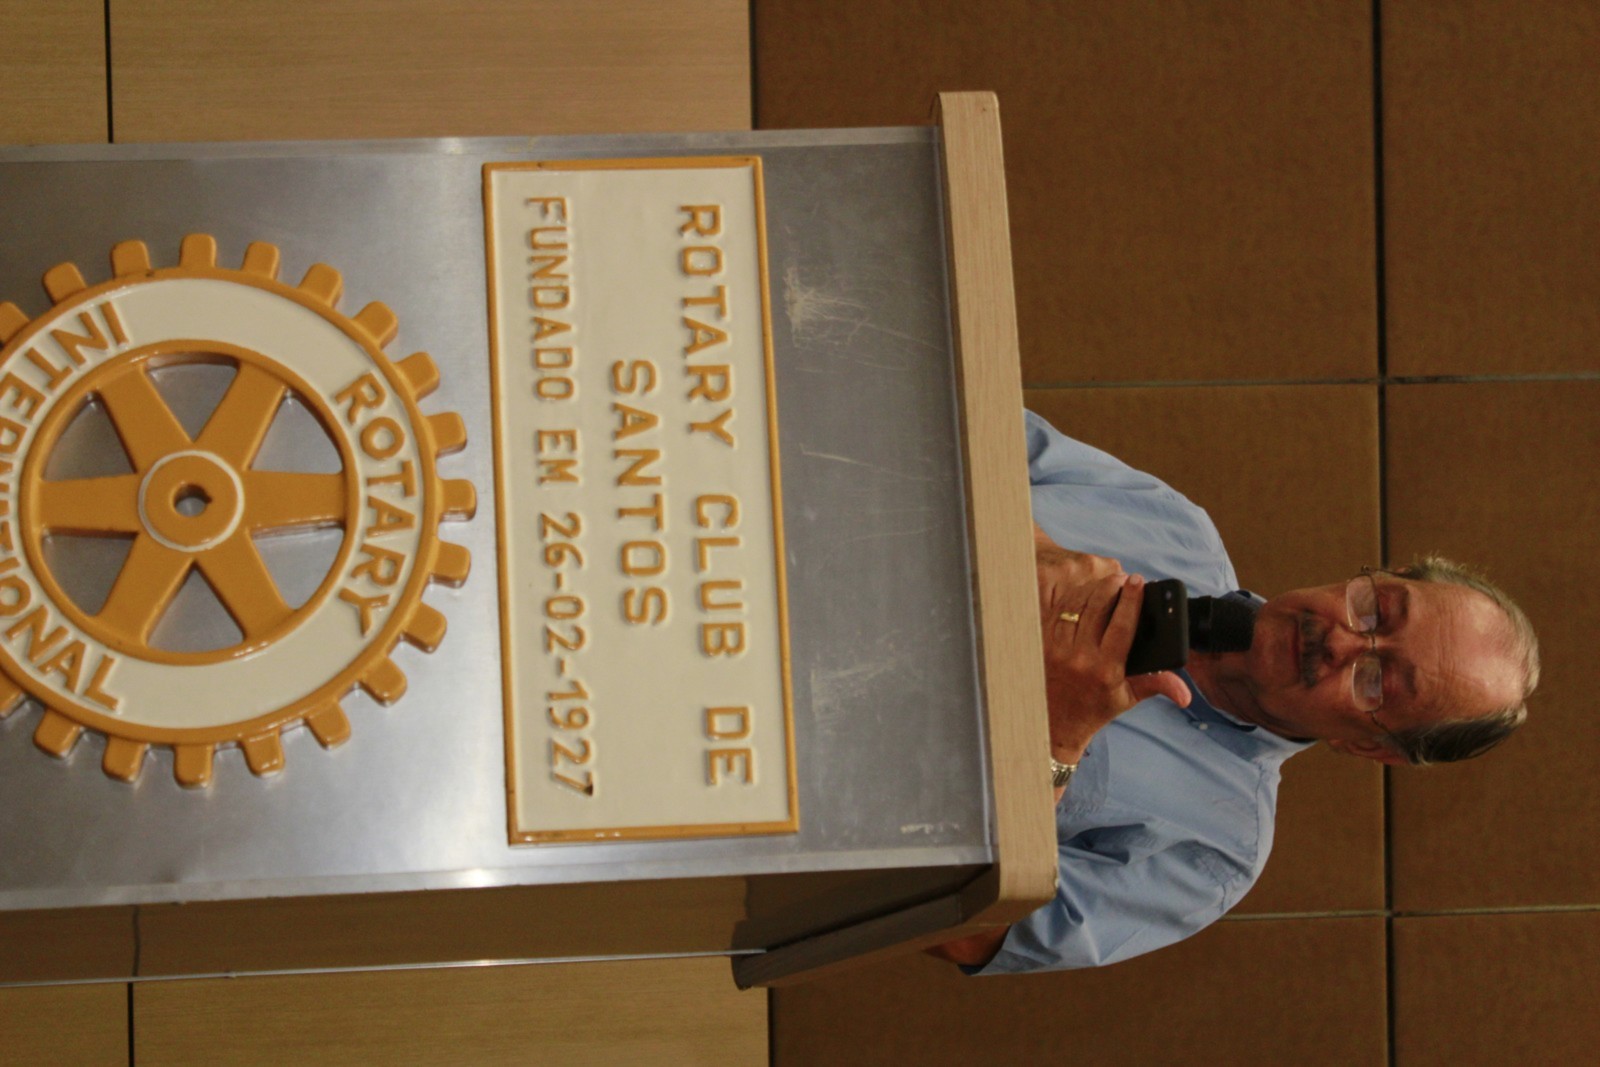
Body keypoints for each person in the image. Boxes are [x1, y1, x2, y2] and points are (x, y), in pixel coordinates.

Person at [931, 411, 1539, 975]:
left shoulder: (1215, 854)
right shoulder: (1171, 523)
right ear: (1381, 574)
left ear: (1370, 748)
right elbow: (956, 409)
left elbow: (961, 931)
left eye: (1377, 682)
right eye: (1376, 611)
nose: (1343, 641)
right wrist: (1030, 545)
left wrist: (1057, 739)